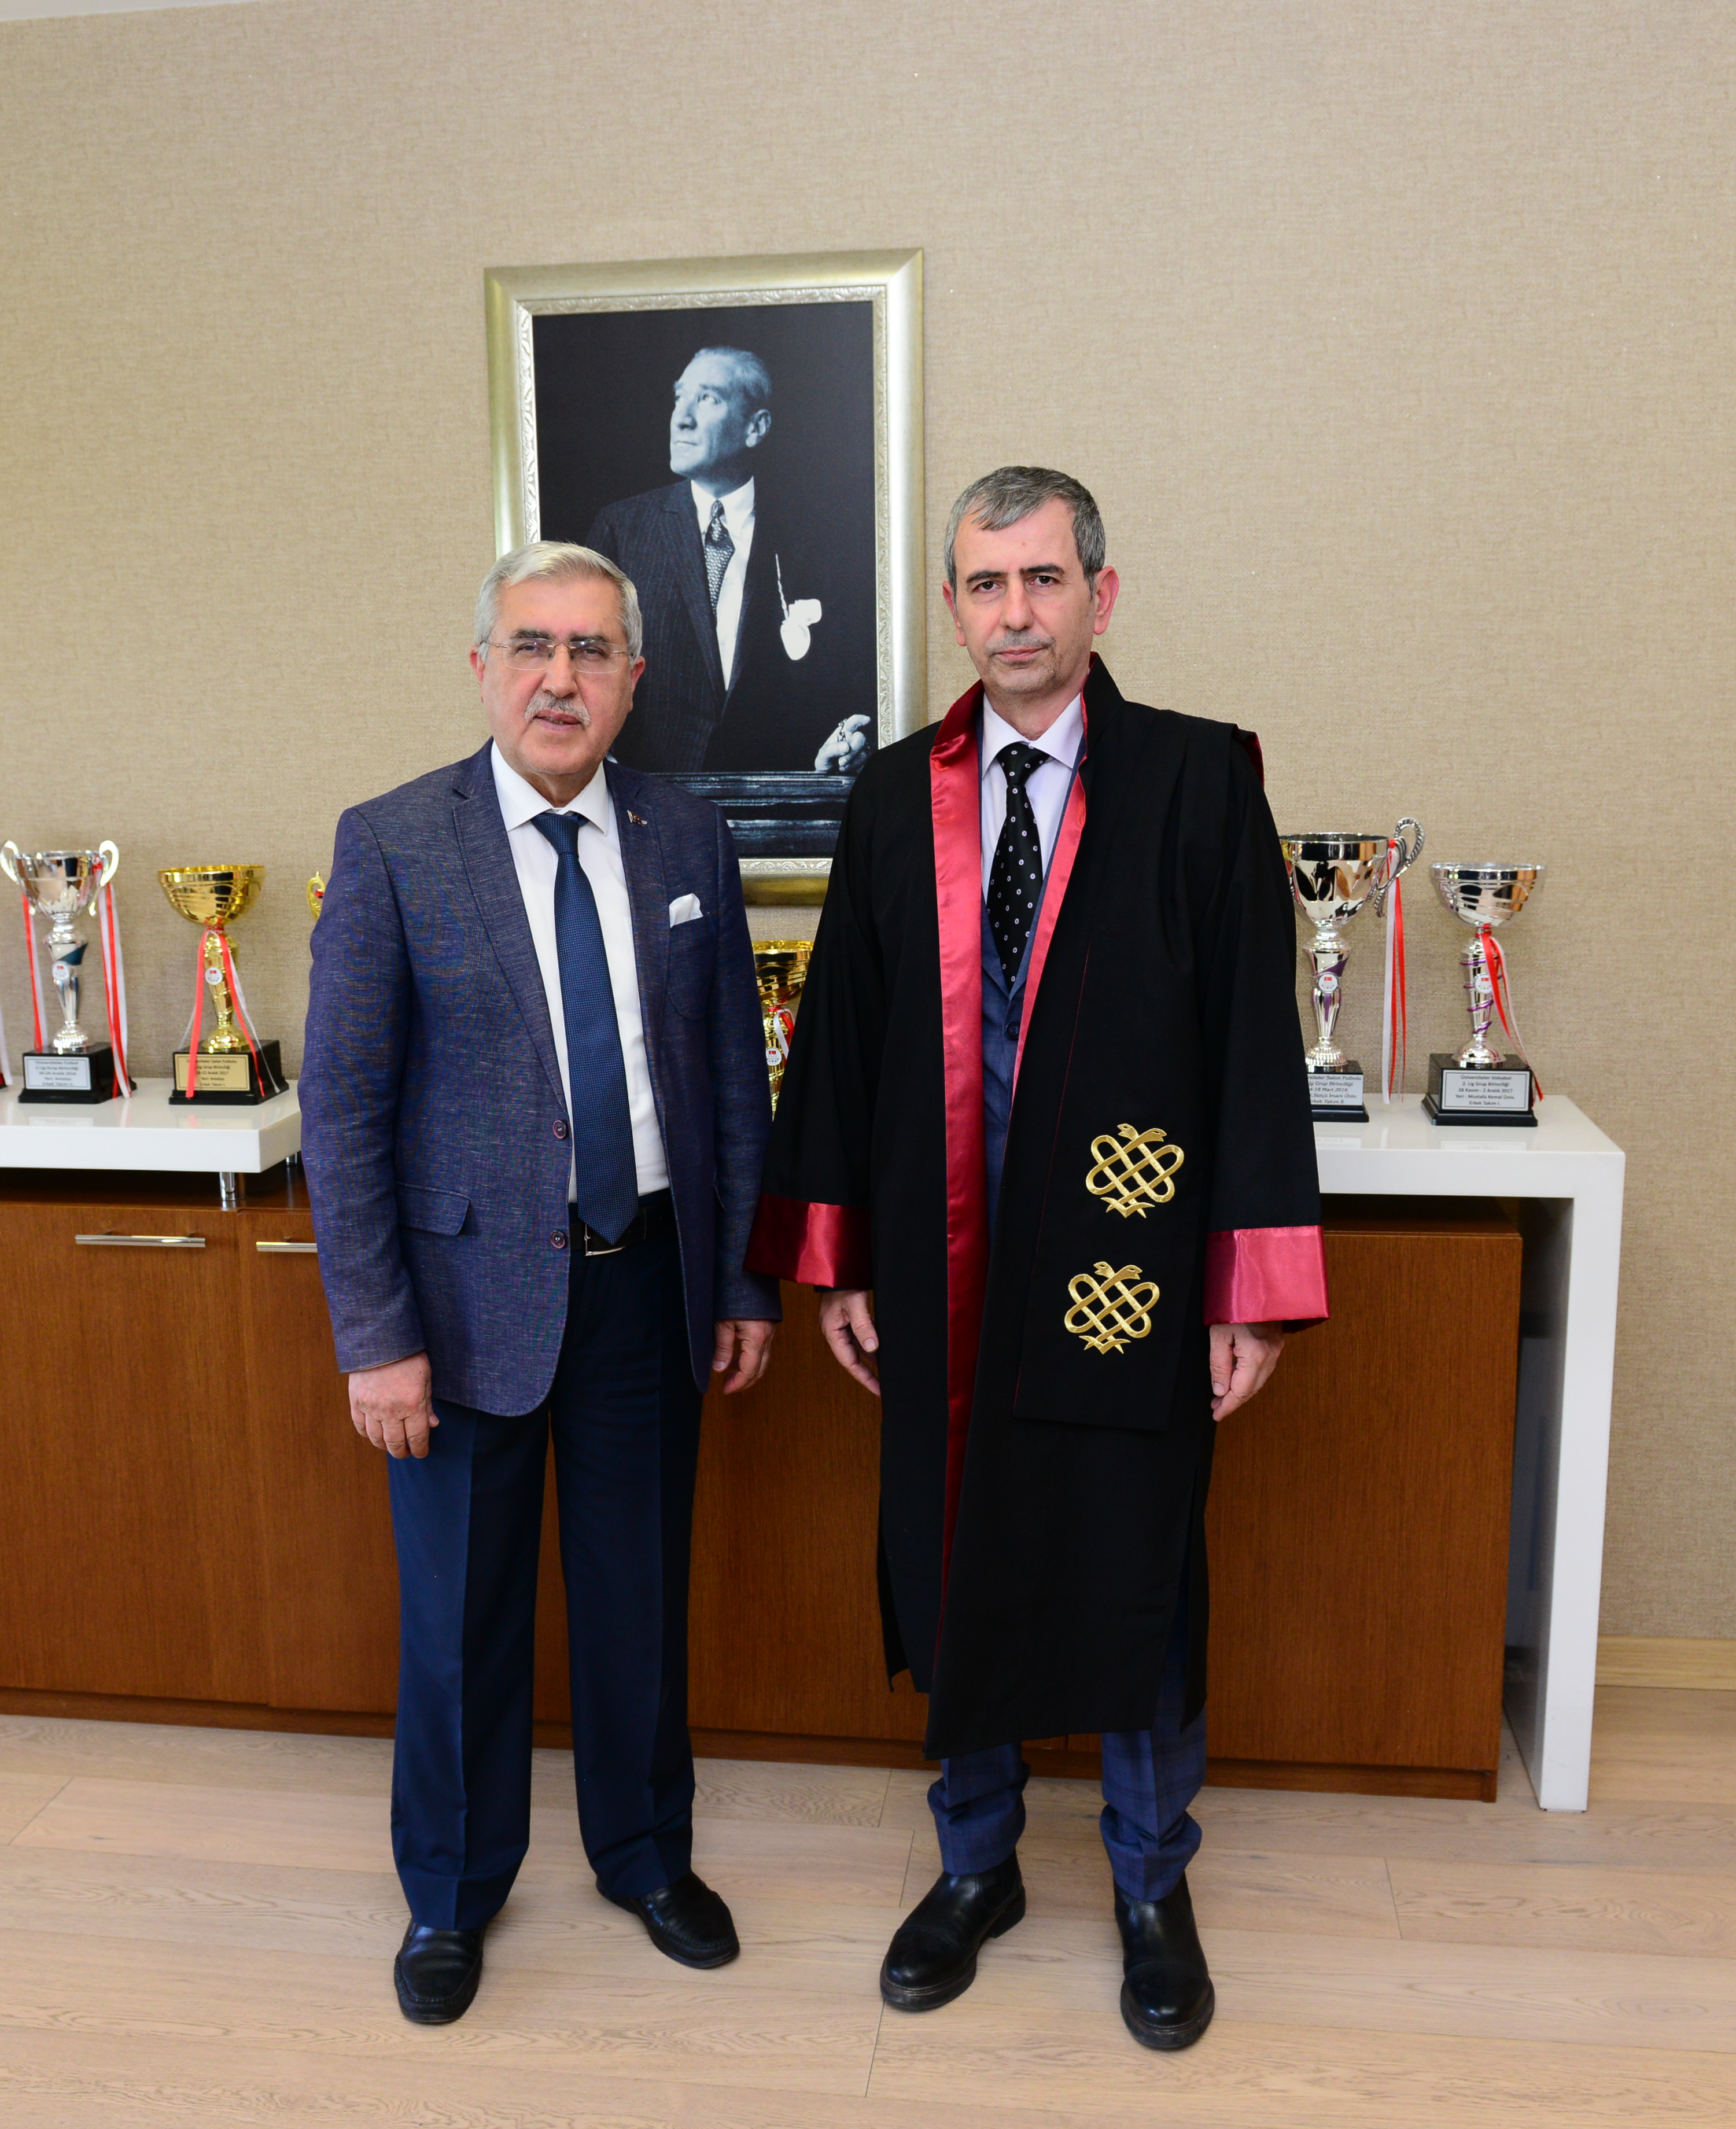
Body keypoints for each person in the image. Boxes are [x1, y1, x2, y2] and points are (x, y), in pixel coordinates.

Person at [744, 466, 1326, 2051]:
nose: (1016, 612)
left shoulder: (1197, 781)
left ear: (1100, 595)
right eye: (987, 584)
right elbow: (845, 1036)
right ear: (954, 606)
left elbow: (1251, 1043)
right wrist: (837, 1258)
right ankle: (973, 1866)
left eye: (1045, 579)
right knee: (957, 1559)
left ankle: (1149, 1882)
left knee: (1135, 1570)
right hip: (941, 1264)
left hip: (1127, 1276)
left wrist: (1250, 1289)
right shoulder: (894, 795)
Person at [303, 540, 782, 2026]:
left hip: (648, 1284)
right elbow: (343, 1108)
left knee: (639, 1601)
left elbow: (730, 1078)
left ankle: (646, 1857)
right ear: (482, 669)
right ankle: (450, 1893)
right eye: (531, 646)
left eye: (589, 650)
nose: (559, 678)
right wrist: (375, 1335)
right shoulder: (395, 841)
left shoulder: (687, 837)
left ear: (634, 678)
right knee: (461, 1618)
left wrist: (743, 1280)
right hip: (457, 1313)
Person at [584, 346, 871, 776]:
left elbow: (843, 675)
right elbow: (588, 662)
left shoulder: (816, 536)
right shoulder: (622, 529)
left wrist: (831, 749)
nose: (681, 418)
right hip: (649, 796)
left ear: (756, 427)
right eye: (679, 397)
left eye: (707, 398)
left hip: (777, 792)